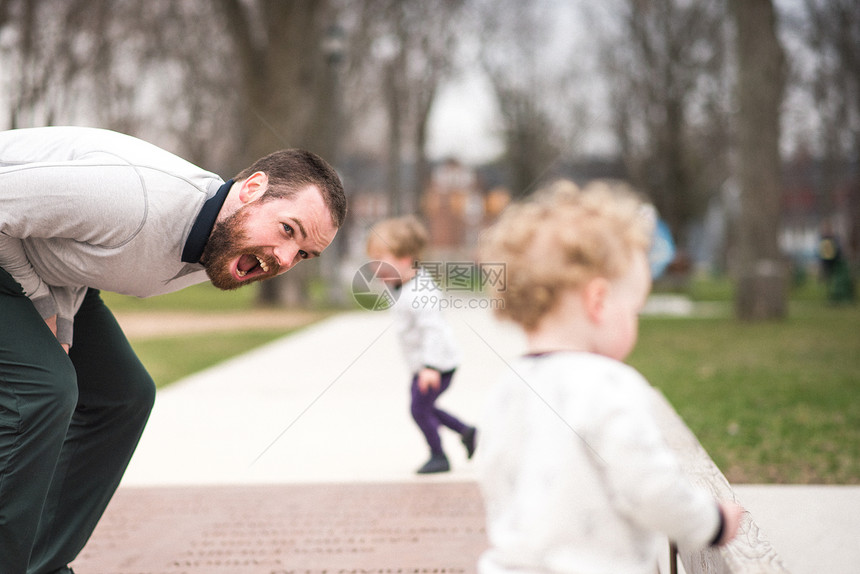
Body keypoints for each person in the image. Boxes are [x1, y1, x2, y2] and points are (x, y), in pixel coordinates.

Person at [0, 125, 347, 574]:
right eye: (287, 229)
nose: (284, 258)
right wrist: (43, 305)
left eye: (303, 254)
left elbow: (76, 256)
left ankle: (39, 562)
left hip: (44, 274)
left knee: (124, 396)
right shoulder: (133, 199)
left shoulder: (223, 245)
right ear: (253, 189)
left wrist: (61, 318)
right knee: (46, 390)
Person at [477, 180, 743, 574]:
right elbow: (651, 487)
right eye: (633, 308)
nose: (634, 321)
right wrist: (712, 522)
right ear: (598, 301)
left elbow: (495, 481)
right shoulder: (608, 384)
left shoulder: (507, 386)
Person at [366, 216, 477, 474]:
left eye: (380, 259)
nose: (374, 267)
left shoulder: (421, 292)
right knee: (425, 407)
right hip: (423, 364)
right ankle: (467, 432)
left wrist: (430, 367)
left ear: (405, 259)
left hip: (437, 364)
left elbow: (434, 330)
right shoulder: (401, 283)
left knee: (419, 409)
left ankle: (439, 456)